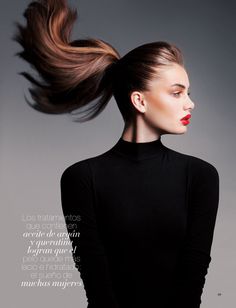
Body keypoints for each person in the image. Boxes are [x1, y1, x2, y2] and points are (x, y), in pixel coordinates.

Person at [12, 1, 220, 307]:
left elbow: (193, 278)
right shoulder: (81, 179)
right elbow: (95, 283)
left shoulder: (200, 176)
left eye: (188, 93)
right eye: (177, 93)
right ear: (139, 100)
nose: (190, 103)